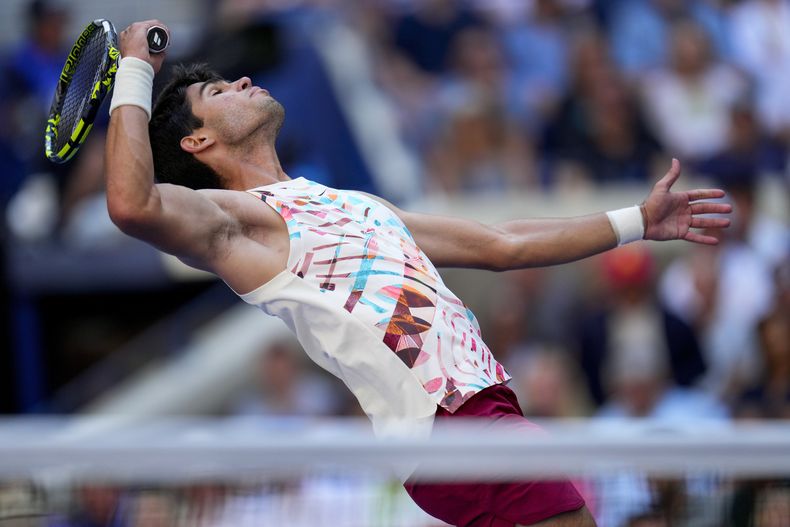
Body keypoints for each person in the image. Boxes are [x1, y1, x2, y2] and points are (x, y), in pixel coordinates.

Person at [104, 20, 732, 527]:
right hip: (448, 428)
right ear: (197, 143)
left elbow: (500, 242)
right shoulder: (236, 221)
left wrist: (637, 220)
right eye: (217, 93)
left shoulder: (355, 203)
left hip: (483, 411)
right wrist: (135, 69)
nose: (240, 80)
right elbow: (134, 204)